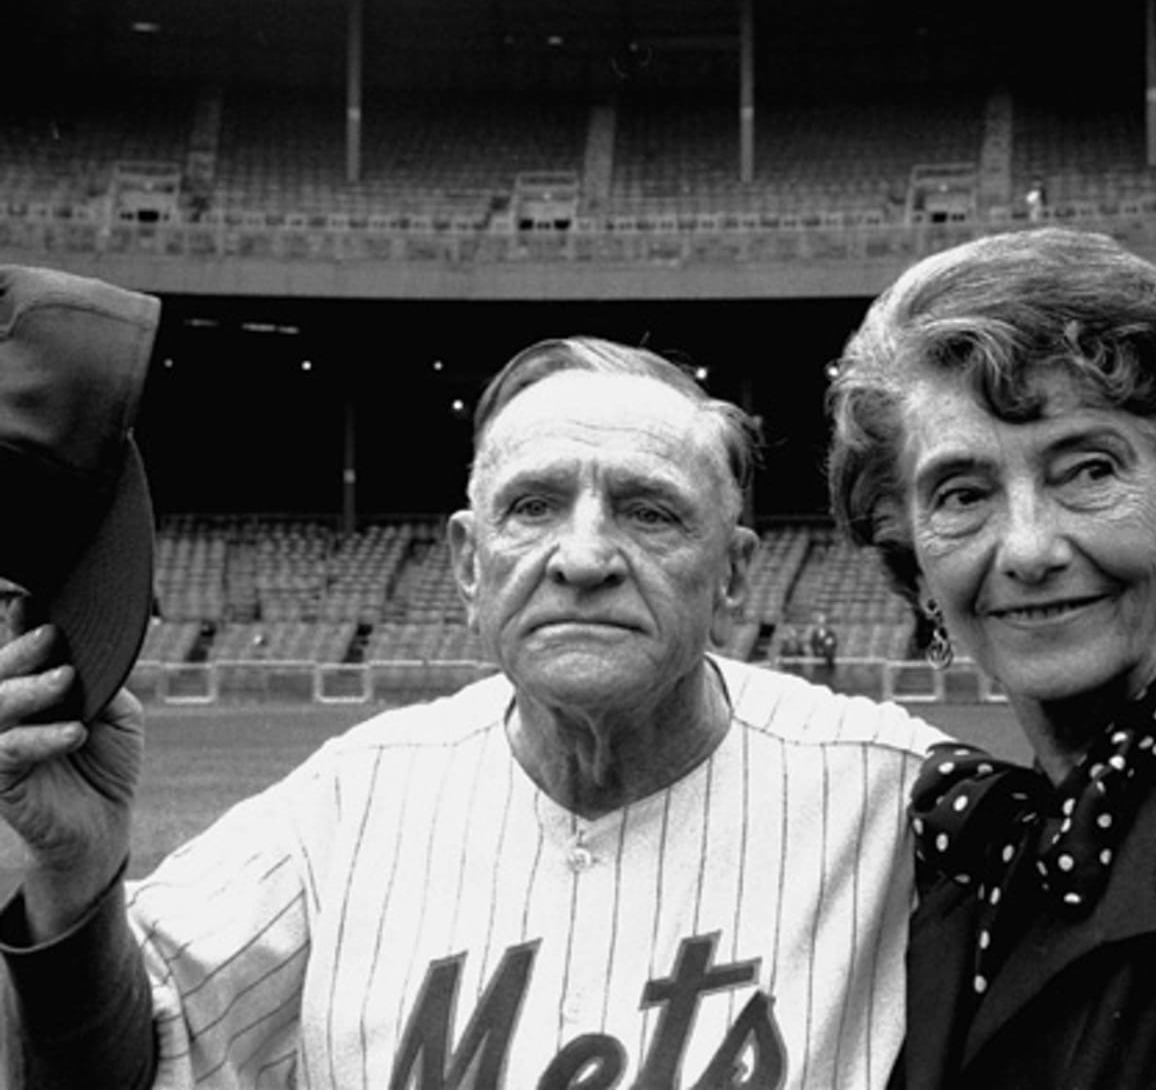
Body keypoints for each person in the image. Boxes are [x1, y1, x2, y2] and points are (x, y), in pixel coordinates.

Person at [1, 332, 946, 1089]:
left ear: (735, 571)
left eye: (649, 512)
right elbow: (128, 1056)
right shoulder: (350, 802)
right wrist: (77, 874)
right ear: (467, 562)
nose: (584, 558)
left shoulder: (900, 803)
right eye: (533, 506)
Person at [825, 226, 1156, 1088]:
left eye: (1088, 471)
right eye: (962, 494)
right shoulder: (966, 854)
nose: (1029, 548)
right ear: (913, 562)